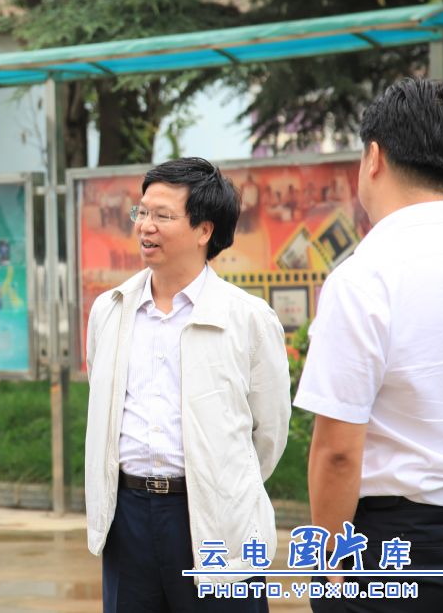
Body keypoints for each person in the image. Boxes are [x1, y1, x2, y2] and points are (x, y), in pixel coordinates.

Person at [294, 78, 443, 611]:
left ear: (374, 157)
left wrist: (327, 562)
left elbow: (338, 451)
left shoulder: (365, 277)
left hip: (402, 546)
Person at [85, 157, 290, 612]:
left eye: (162, 215)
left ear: (204, 230)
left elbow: (270, 432)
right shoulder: (110, 310)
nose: (145, 226)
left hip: (215, 519)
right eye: (142, 212)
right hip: (128, 516)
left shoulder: (248, 319)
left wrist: (221, 483)